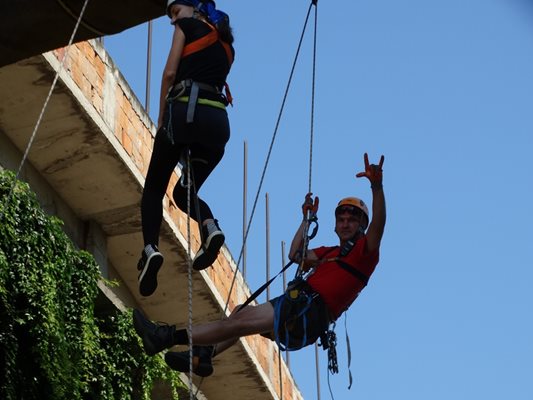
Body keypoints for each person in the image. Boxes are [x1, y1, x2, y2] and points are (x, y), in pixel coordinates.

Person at [133, 153, 386, 376]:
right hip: (297, 307)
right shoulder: (328, 252)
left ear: (361, 225)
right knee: (240, 318)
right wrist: (306, 220)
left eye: (351, 221)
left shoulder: (365, 254)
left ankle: (165, 337)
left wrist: (376, 187)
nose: (345, 224)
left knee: (237, 323)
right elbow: (295, 254)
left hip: (306, 312)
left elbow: (379, 224)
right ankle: (204, 356)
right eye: (340, 219)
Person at [138, 0, 235, 297]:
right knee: (184, 193)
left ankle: (150, 249)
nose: (172, 20)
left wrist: (161, 118)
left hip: (184, 116)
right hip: (217, 128)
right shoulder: (228, 47)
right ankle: (209, 226)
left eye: (175, 12)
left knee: (154, 188)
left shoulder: (186, 26)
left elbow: (169, 73)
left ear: (195, 9)